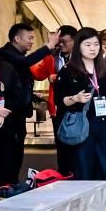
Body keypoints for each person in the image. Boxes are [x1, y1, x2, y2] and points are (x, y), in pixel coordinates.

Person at [54, 28, 106, 201]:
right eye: (87, 45)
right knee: (84, 171)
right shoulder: (68, 70)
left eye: (96, 44)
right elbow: (59, 100)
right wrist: (75, 98)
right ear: (78, 46)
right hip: (83, 124)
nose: (93, 48)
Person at [0, 22, 60, 180]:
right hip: (8, 116)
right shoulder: (7, 53)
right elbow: (25, 63)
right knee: (8, 158)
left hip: (19, 115)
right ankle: (6, 187)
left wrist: (31, 95)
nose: (32, 41)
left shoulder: (18, 57)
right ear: (17, 38)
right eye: (29, 38)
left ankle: (12, 185)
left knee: (16, 157)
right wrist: (49, 46)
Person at [30, 25, 76, 174]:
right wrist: (23, 62)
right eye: (59, 42)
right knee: (61, 143)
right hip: (57, 107)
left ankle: (79, 173)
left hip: (79, 106)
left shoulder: (82, 56)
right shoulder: (51, 56)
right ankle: (63, 174)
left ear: (75, 40)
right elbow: (38, 74)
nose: (60, 45)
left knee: (79, 142)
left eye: (64, 42)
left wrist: (58, 77)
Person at [0, 38, 26, 190]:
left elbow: (18, 94)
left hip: (6, 124)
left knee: (6, 165)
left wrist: (2, 112)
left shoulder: (6, 67)